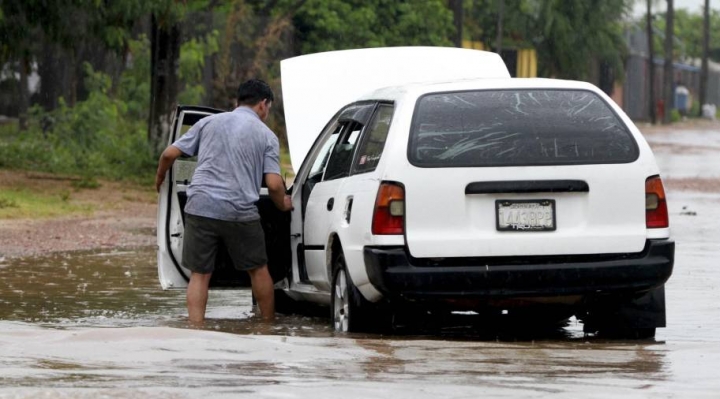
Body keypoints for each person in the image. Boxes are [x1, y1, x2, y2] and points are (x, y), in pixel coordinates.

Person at [155, 79, 292, 324]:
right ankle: (267, 327)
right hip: (239, 210)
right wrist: (283, 204)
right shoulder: (267, 136)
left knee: (200, 275)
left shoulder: (207, 122)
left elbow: (168, 154)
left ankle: (196, 329)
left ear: (237, 101)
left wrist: (160, 179)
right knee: (259, 270)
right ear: (263, 104)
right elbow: (273, 184)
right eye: (268, 108)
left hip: (200, 207)